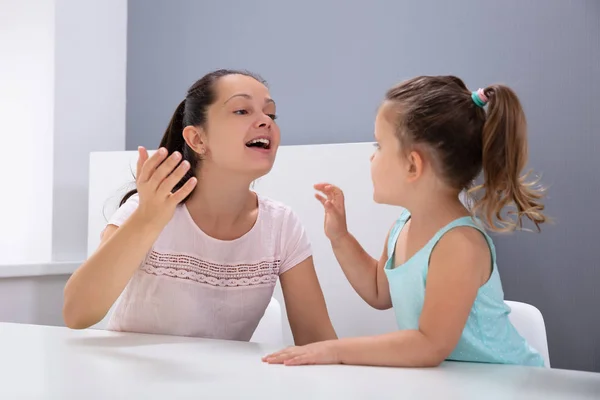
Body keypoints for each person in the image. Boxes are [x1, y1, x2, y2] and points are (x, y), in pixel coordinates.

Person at [263, 75, 547, 367]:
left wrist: (335, 350)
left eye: (379, 146)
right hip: (456, 383)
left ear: (413, 165)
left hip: (508, 385)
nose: (372, 158)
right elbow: (378, 290)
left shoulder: (459, 245)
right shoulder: (404, 224)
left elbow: (429, 344)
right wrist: (340, 237)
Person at [63, 69, 337, 344]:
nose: (265, 121)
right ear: (197, 140)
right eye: (242, 111)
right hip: (132, 381)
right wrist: (146, 220)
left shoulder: (281, 225)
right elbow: (77, 314)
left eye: (271, 114)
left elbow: (317, 341)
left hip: (224, 385)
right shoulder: (146, 209)